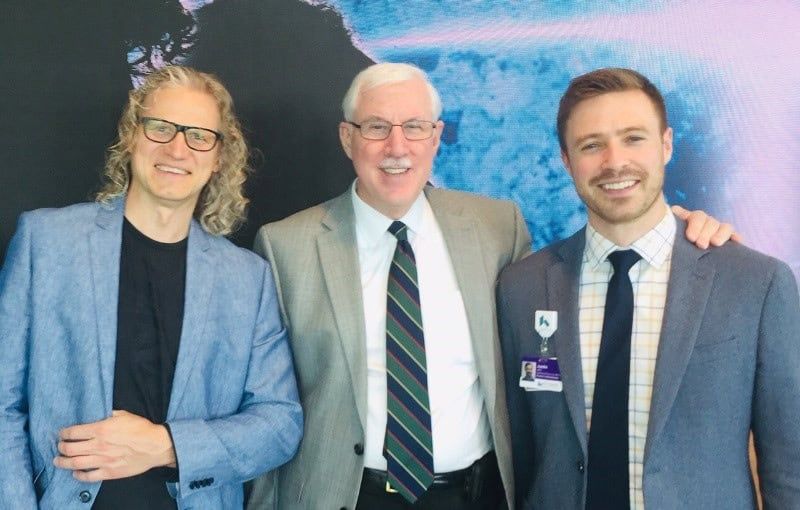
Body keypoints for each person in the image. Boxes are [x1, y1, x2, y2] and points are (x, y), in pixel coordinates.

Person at [246, 63, 734, 510]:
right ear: (347, 138)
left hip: (477, 495)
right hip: (346, 495)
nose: (397, 147)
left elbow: (565, 293)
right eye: (376, 128)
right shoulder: (286, 246)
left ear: (436, 137)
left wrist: (680, 230)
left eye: (415, 127)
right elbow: (268, 403)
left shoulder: (496, 226)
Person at [0, 65, 302, 509]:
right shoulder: (45, 242)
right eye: (161, 128)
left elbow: (279, 425)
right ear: (132, 137)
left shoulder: (247, 279)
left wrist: (166, 446)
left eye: (199, 135)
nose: (178, 149)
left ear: (219, 157)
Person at [498, 67, 800, 509]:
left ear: (666, 145)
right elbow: (523, 456)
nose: (614, 162)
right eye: (591, 145)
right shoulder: (521, 288)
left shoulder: (757, 284)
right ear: (566, 161)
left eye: (633, 138)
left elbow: (789, 466)